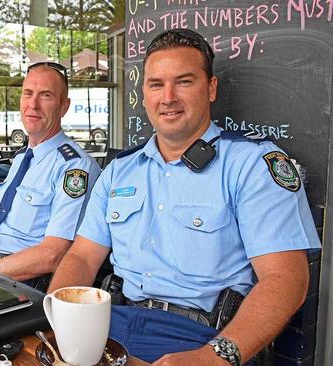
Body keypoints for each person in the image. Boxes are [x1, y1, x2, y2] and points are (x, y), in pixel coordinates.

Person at [48, 29, 321, 365]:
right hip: (110, 327)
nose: (168, 97)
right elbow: (82, 258)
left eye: (185, 81)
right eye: (156, 84)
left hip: (202, 339)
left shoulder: (251, 164)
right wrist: (60, 321)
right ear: (144, 94)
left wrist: (214, 357)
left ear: (211, 88)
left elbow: (286, 279)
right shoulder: (119, 170)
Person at [0, 63, 101, 291]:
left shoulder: (76, 168)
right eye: (28, 94)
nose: (33, 104)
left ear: (64, 106)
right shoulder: (22, 158)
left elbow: (52, 255)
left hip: (15, 281)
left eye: (46, 96)